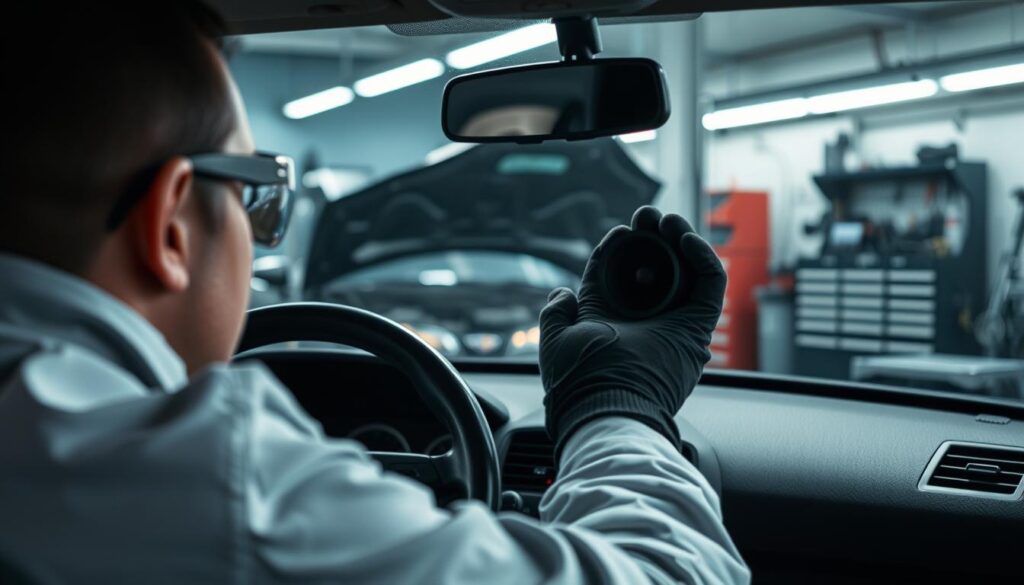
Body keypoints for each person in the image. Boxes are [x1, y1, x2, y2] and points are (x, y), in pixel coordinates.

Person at [0, 2, 750, 583]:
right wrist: (616, 407)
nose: (257, 234)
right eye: (253, 193)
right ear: (170, 227)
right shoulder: (206, 480)